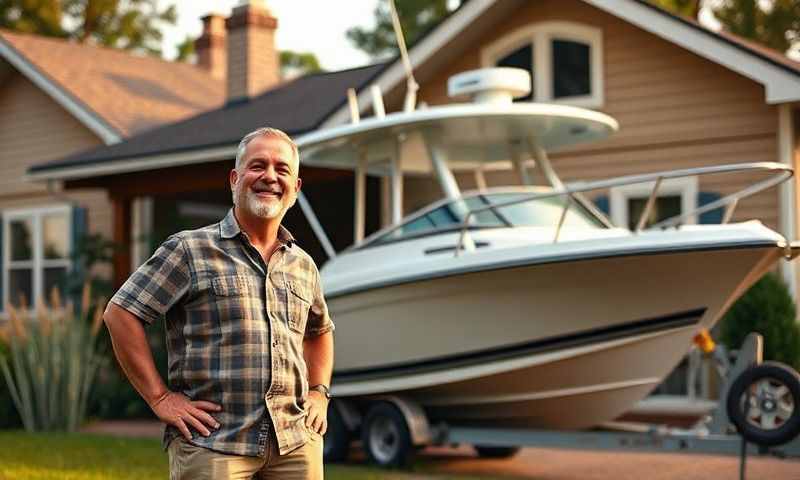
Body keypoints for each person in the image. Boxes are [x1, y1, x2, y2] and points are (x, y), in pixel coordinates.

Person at [103, 127, 334, 480]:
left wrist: (319, 393)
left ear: (296, 188)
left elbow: (319, 332)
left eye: (282, 169)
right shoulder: (189, 250)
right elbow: (121, 313)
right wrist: (160, 398)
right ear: (235, 179)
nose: (270, 176)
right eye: (258, 166)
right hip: (213, 443)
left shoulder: (303, 264)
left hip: (294, 444)